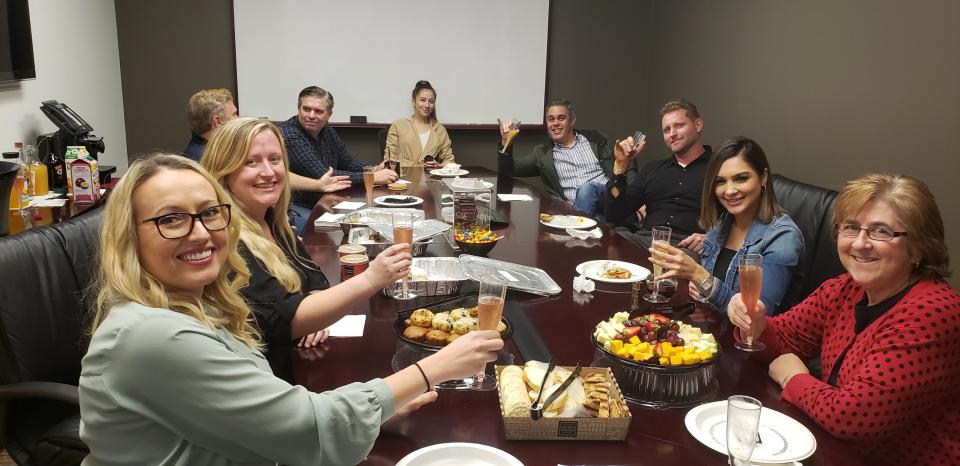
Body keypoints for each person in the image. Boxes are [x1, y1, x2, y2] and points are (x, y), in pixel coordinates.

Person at [79, 154, 503, 465]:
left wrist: (378, 414)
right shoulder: (152, 336)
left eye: (210, 213)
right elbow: (305, 427)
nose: (201, 233)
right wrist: (432, 369)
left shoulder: (197, 301)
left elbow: (266, 415)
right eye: (171, 219)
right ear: (129, 238)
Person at [727, 173, 960, 466]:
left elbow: (855, 415)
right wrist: (755, 323)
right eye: (851, 227)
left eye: (881, 232)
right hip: (834, 450)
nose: (860, 243)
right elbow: (784, 337)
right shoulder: (844, 289)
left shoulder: (933, 312)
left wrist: (794, 378)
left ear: (918, 247)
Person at [202, 117, 408, 382]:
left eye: (275, 160)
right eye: (251, 162)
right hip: (270, 380)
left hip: (301, 360)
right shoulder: (225, 238)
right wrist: (371, 278)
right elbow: (285, 322)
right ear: (223, 171)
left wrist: (313, 308)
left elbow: (313, 276)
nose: (268, 172)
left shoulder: (271, 221)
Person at [648, 136, 802, 315]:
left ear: (763, 178)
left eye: (741, 179)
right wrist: (701, 286)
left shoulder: (783, 239)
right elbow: (711, 290)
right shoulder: (722, 223)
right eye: (720, 181)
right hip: (707, 330)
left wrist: (700, 276)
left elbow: (754, 317)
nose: (729, 191)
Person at [496, 99, 637, 216]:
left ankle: (575, 230)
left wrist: (637, 201)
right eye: (551, 119)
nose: (555, 123)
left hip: (609, 199)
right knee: (595, 224)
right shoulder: (543, 154)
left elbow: (626, 161)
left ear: (572, 121)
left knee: (587, 188)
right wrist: (506, 143)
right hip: (579, 209)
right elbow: (509, 170)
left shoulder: (598, 140)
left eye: (561, 118)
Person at [604, 99, 711, 253]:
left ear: (698, 125)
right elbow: (614, 214)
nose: (672, 134)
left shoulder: (718, 168)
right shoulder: (653, 170)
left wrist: (711, 237)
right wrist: (620, 166)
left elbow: (734, 218)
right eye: (667, 130)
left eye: (679, 126)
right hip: (646, 240)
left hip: (687, 248)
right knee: (610, 241)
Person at [279, 86, 396, 227]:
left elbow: (346, 160)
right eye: (306, 109)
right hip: (299, 205)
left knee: (372, 217)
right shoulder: (289, 134)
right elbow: (322, 175)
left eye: (318, 111)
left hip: (328, 198)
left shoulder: (326, 129)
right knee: (332, 227)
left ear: (329, 114)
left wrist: (372, 169)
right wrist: (371, 177)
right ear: (299, 109)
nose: (311, 115)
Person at [384, 80, 455, 169]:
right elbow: (388, 160)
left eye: (431, 101)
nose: (427, 105)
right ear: (414, 101)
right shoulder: (398, 126)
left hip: (430, 180)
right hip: (403, 179)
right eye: (422, 100)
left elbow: (450, 161)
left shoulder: (440, 130)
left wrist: (438, 166)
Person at [183, 88, 238, 161]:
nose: (238, 118)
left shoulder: (206, 150)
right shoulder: (206, 161)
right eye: (234, 114)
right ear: (218, 121)